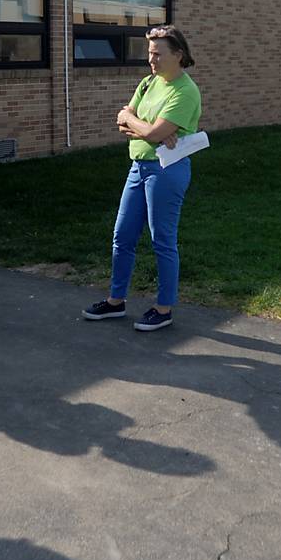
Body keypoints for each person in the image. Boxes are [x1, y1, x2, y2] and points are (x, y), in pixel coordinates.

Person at [83, 25, 201, 332]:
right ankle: (115, 301)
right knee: (122, 236)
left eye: (158, 54)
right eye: (149, 53)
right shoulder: (148, 83)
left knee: (162, 240)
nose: (151, 60)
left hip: (166, 172)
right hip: (138, 167)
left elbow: (147, 130)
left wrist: (140, 125)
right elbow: (127, 122)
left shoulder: (185, 91)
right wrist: (145, 128)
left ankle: (163, 308)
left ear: (178, 55)